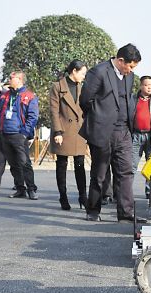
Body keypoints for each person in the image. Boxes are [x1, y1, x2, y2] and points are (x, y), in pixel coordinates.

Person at [79, 43, 141, 222]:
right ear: (120, 60)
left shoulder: (130, 77)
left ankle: (126, 214)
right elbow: (85, 100)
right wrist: (100, 117)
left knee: (126, 172)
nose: (130, 70)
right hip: (102, 130)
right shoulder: (98, 72)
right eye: (129, 66)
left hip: (123, 131)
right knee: (100, 173)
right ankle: (93, 211)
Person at [0, 71, 40, 200]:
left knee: (24, 163)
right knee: (13, 164)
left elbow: (33, 117)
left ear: (19, 80)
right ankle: (20, 189)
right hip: (5, 134)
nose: (9, 79)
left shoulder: (29, 96)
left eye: (11, 78)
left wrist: (24, 133)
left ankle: (31, 189)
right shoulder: (6, 95)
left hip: (19, 135)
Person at [49, 59, 88, 210]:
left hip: (79, 130)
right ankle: (63, 196)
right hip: (63, 130)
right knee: (62, 164)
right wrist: (57, 131)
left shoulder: (82, 87)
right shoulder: (57, 86)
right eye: (82, 73)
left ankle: (83, 197)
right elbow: (54, 111)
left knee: (80, 164)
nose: (84, 76)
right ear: (74, 71)